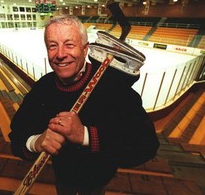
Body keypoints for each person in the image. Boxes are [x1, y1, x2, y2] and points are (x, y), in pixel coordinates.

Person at [8, 14, 159, 195]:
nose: (60, 54)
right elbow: (17, 136)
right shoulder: (43, 88)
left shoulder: (114, 87)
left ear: (86, 49)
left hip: (97, 181)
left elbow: (146, 145)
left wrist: (85, 135)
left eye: (69, 44)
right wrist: (36, 142)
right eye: (52, 46)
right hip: (63, 178)